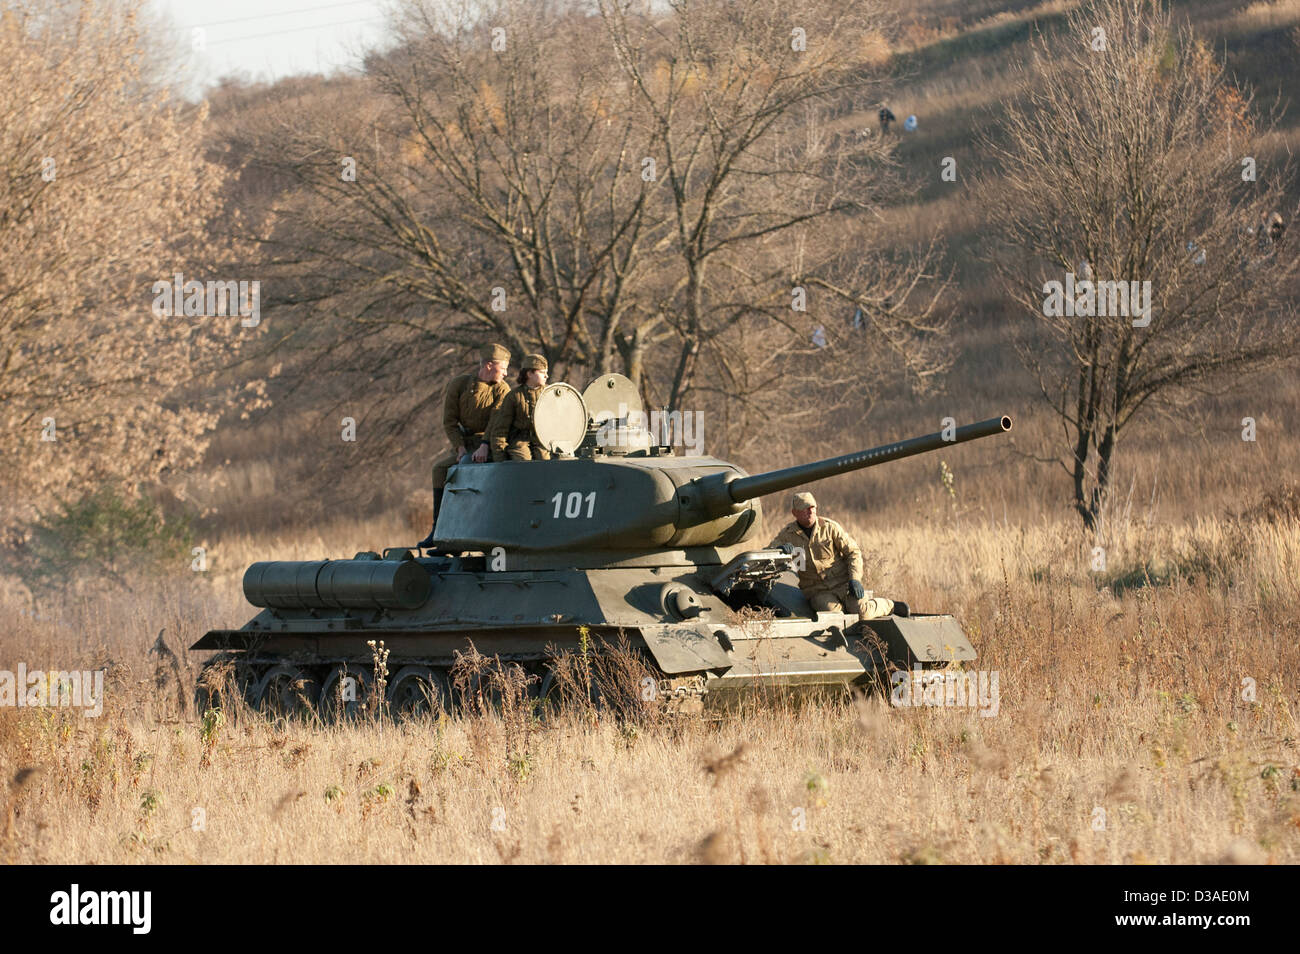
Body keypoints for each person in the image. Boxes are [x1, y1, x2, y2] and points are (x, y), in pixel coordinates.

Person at [415, 343, 511, 548]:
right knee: (440, 470)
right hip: (465, 445)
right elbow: (449, 422)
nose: (506, 373)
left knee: (466, 469)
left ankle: (462, 536)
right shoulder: (459, 385)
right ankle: (438, 530)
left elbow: (496, 422)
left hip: (489, 445)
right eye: (502, 368)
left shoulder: (502, 389)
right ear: (489, 366)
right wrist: (459, 447)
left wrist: (485, 445)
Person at [768, 491, 897, 620]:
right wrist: (779, 550)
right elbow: (768, 552)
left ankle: (889, 605)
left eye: (812, 508)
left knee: (863, 612)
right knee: (834, 617)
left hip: (844, 584)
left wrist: (855, 579)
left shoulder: (829, 528)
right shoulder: (787, 534)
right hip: (817, 591)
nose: (810, 511)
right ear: (795, 513)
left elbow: (853, 552)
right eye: (805, 509)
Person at [486, 353, 552, 461]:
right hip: (519, 440)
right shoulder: (514, 396)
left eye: (547, 373)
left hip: (543, 441)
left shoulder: (549, 394)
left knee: (545, 461)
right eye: (542, 373)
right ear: (529, 374)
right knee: (523, 463)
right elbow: (500, 430)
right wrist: (500, 458)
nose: (546, 376)